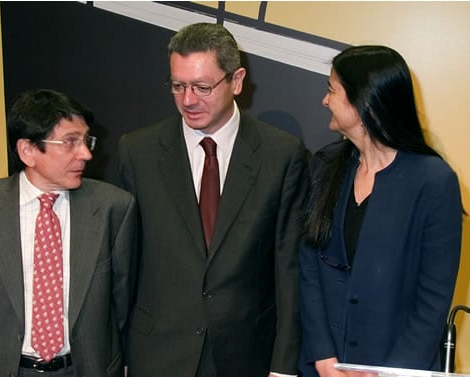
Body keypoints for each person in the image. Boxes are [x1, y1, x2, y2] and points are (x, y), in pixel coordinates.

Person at [117, 23, 309, 377]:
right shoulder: (138, 152)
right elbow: (125, 265)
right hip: (158, 355)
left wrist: (283, 367)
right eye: (178, 86)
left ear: (236, 81)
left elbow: (289, 270)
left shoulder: (281, 155)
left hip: (246, 356)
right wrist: (123, 357)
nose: (188, 100)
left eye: (202, 87)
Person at [298, 45, 464, 377]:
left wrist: (388, 373)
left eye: (332, 90)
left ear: (363, 102)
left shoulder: (434, 182)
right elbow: (309, 266)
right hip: (323, 368)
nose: (325, 100)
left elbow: (432, 301)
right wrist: (323, 355)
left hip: (396, 369)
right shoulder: (327, 164)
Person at [0, 89, 137, 377]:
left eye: (86, 140)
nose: (86, 154)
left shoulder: (114, 207)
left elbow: (121, 302)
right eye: (70, 142)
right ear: (28, 151)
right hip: (4, 368)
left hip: (85, 368)